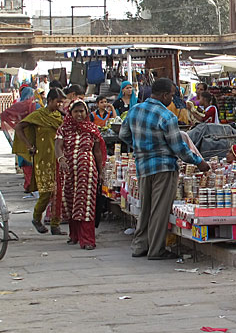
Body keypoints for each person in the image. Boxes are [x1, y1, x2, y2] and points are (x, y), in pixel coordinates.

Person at [120, 78, 210, 260]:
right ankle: (156, 249)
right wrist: (198, 161)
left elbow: (123, 134)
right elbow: (178, 148)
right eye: (171, 94)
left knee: (145, 208)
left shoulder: (135, 110)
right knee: (160, 209)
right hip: (164, 167)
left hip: (143, 166)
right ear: (163, 95)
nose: (172, 98)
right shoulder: (166, 116)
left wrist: (139, 147)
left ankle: (140, 246)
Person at [13, 88, 67, 235]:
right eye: (58, 102)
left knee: (59, 193)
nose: (60, 105)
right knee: (47, 192)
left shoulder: (61, 117)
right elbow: (19, 127)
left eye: (62, 102)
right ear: (49, 101)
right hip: (43, 159)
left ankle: (55, 225)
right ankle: (36, 218)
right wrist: (29, 146)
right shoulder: (38, 115)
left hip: (58, 158)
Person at [55, 100, 106, 250]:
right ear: (70, 113)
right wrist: (61, 159)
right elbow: (58, 146)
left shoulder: (92, 128)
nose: (79, 114)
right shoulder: (63, 129)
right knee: (71, 202)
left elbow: (97, 151)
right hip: (68, 170)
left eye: (82, 111)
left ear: (86, 113)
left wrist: (101, 170)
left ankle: (88, 239)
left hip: (87, 171)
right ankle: (74, 235)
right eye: (76, 111)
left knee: (86, 203)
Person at [1, 87, 38, 196]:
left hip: (20, 135)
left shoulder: (18, 106)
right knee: (31, 160)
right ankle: (32, 185)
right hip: (30, 135)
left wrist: (15, 124)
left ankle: (27, 185)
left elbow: (4, 115)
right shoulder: (33, 105)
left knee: (24, 161)